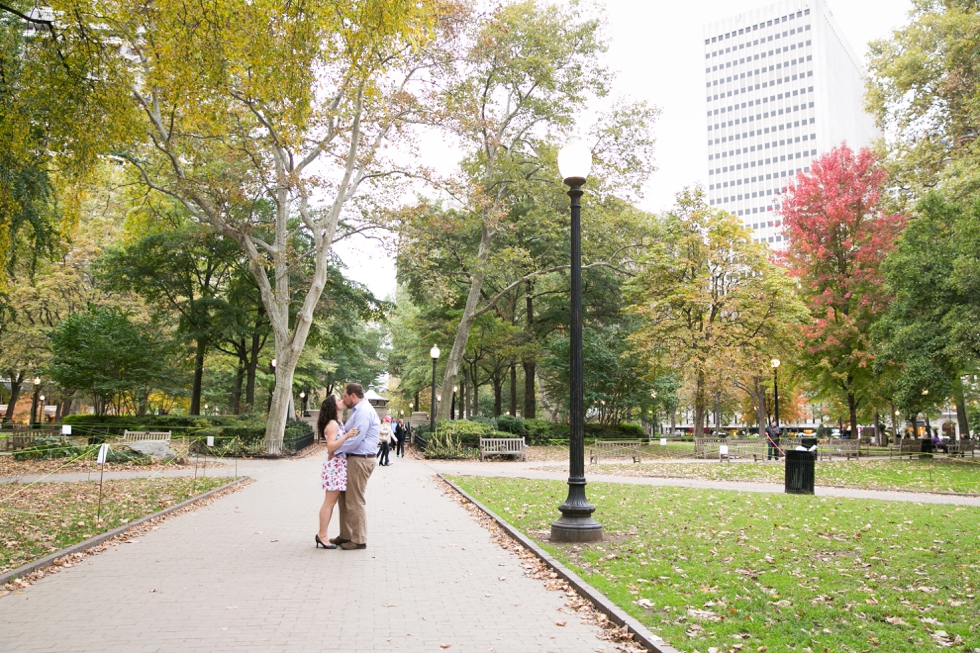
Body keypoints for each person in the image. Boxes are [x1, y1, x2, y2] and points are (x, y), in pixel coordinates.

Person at [330, 382, 380, 550]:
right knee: (344, 499)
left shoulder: (364, 412)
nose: (344, 399)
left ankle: (359, 539)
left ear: (353, 395)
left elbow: (355, 439)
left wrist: (335, 450)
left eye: (344, 396)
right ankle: (346, 535)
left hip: (360, 460)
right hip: (353, 459)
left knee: (355, 500)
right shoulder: (357, 411)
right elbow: (346, 432)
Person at [315, 396, 358, 549]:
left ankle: (323, 534)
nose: (342, 401)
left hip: (339, 466)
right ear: (333, 406)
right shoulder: (333, 424)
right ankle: (322, 535)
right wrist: (347, 436)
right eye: (338, 400)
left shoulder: (338, 423)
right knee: (329, 502)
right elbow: (330, 446)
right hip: (334, 467)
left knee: (331, 502)